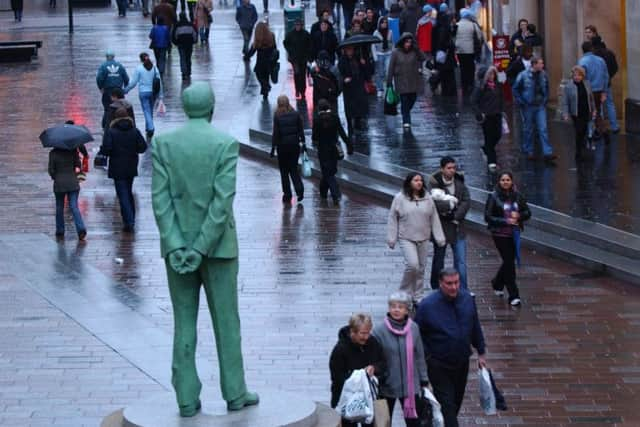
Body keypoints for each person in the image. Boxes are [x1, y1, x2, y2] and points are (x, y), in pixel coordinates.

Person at [152, 82, 259, 417]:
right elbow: (222, 200)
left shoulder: (163, 144)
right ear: (211, 108)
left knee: (184, 323)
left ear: (185, 108)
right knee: (227, 322)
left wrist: (176, 244)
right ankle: (235, 391)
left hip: (176, 252)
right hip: (219, 250)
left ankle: (186, 396)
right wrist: (201, 247)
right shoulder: (224, 144)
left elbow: (160, 201)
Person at [414, 268, 487, 427]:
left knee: (455, 402)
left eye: (456, 283)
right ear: (440, 283)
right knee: (447, 404)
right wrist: (426, 358)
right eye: (449, 284)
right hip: (438, 364)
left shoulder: (467, 299)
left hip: (461, 361)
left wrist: (481, 351)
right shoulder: (427, 306)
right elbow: (416, 334)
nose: (453, 287)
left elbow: (475, 326)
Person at [372, 292, 430, 427]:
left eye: (400, 307)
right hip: (387, 386)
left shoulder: (414, 328)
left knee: (414, 424)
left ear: (407, 310)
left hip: (410, 386)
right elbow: (374, 358)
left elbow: (419, 356)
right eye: (393, 306)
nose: (396, 310)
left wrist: (424, 379)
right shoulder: (379, 331)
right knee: (383, 423)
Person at [387, 172, 446, 302]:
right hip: (406, 237)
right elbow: (392, 218)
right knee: (412, 265)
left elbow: (434, 218)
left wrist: (439, 237)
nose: (419, 182)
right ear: (409, 182)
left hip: (424, 237)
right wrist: (391, 238)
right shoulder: (399, 198)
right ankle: (403, 293)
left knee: (421, 268)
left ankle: (418, 295)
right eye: (415, 180)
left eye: (420, 180)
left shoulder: (428, 198)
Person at [329, 313, 387, 427]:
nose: (366, 337)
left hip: (369, 399)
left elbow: (383, 363)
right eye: (362, 333)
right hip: (346, 400)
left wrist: (374, 368)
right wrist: (358, 377)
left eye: (368, 332)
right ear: (352, 332)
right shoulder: (340, 350)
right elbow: (337, 377)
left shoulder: (373, 343)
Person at [484, 171, 531, 306]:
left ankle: (497, 282)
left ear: (512, 181)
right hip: (500, 234)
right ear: (499, 182)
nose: (505, 182)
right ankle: (513, 295)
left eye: (508, 180)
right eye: (503, 180)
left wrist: (520, 216)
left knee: (508, 261)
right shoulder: (493, 197)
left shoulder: (518, 195)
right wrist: (506, 221)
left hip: (514, 233)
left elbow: (527, 212)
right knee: (509, 263)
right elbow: (488, 217)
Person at [100, 108, 148, 232]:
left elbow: (106, 150)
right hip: (131, 165)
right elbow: (143, 147)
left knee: (122, 194)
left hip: (117, 167)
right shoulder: (134, 131)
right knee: (128, 191)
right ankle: (129, 219)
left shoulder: (111, 132)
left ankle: (129, 221)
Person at [428, 157, 470, 291]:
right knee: (439, 259)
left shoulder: (460, 182)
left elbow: (466, 201)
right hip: (441, 228)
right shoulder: (434, 183)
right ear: (442, 169)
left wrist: (456, 216)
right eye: (449, 168)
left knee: (461, 261)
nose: (452, 170)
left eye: (454, 168)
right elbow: (433, 203)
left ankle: (463, 288)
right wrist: (449, 206)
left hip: (458, 227)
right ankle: (436, 287)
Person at [512, 57, 557, 163]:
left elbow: (546, 87)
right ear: (534, 64)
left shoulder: (543, 74)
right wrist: (521, 101)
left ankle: (547, 152)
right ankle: (529, 150)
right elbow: (515, 88)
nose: (542, 65)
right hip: (528, 105)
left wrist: (545, 99)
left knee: (543, 128)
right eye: (540, 63)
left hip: (540, 105)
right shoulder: (523, 75)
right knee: (528, 129)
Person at [312, 99, 350, 203]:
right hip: (334, 148)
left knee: (327, 172)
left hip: (323, 149)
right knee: (330, 171)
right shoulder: (334, 118)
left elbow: (314, 137)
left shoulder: (317, 120)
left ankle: (335, 193)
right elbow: (341, 132)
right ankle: (323, 192)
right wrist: (348, 144)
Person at [270, 95, 305, 204]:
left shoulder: (277, 116)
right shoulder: (296, 114)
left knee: (284, 172)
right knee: (294, 169)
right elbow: (301, 130)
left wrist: (273, 148)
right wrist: (303, 143)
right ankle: (299, 191)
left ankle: (287, 194)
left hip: (282, 147)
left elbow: (276, 133)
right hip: (294, 146)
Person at [387, 33, 426, 130]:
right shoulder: (396, 52)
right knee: (404, 100)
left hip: (413, 80)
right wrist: (389, 81)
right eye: (406, 42)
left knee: (412, 99)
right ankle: (406, 121)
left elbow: (423, 58)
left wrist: (417, 49)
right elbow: (391, 67)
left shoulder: (414, 51)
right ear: (402, 42)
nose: (408, 44)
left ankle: (405, 112)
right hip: (401, 80)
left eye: (410, 42)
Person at [48, 146, 87, 241]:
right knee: (74, 206)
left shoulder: (53, 153)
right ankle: (81, 228)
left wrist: (55, 177)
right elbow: (78, 165)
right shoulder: (73, 151)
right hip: (73, 182)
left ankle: (60, 230)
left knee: (59, 207)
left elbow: (51, 170)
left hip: (59, 183)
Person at [471, 66, 504, 171]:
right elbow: (473, 101)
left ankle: (486, 149)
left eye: (493, 74)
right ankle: (492, 161)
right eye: (490, 74)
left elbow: (501, 98)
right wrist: (479, 114)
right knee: (489, 138)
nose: (492, 76)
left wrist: (502, 109)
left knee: (498, 135)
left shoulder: (497, 85)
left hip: (497, 114)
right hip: (487, 116)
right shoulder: (481, 87)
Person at [125, 52, 164, 140]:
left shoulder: (139, 69)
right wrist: (161, 95)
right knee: (149, 111)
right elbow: (159, 82)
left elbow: (133, 83)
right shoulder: (154, 68)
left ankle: (150, 128)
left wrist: (125, 90)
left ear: (141, 59)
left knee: (146, 111)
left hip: (143, 93)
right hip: (153, 92)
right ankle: (148, 128)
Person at [578, 41, 610, 144]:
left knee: (587, 113)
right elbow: (606, 76)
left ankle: (590, 134)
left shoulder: (582, 61)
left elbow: (581, 78)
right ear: (592, 49)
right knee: (596, 112)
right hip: (599, 90)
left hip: (588, 91)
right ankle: (603, 131)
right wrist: (604, 91)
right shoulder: (601, 60)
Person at [562, 65, 596, 160]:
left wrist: (594, 110)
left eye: (579, 75)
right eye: (575, 75)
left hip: (586, 111)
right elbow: (565, 102)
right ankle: (578, 152)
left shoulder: (587, 84)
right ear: (572, 76)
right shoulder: (568, 86)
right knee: (579, 131)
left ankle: (582, 148)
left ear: (582, 76)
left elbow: (591, 98)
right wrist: (565, 114)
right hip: (576, 113)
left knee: (584, 131)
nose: (577, 77)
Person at [338, 45, 369, 142]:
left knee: (359, 105)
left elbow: (366, 72)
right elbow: (340, 74)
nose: (350, 51)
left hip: (358, 85)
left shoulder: (358, 58)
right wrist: (344, 80)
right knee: (349, 107)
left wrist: (364, 64)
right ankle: (350, 128)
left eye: (351, 49)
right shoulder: (342, 61)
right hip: (349, 87)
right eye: (348, 49)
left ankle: (357, 123)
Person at [592, 36, 620, 134]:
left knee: (598, 105)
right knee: (609, 104)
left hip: (595, 83)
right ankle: (614, 126)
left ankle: (601, 126)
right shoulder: (609, 53)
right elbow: (615, 68)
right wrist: (608, 77)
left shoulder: (593, 55)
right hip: (607, 83)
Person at [96, 49, 130, 130]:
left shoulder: (103, 66)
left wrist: (101, 87)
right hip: (119, 91)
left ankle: (105, 126)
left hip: (108, 91)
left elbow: (99, 78)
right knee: (119, 108)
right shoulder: (120, 66)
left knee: (107, 109)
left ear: (106, 57)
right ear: (114, 57)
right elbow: (126, 78)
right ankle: (119, 124)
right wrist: (125, 88)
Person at [455, 8, 483, 95]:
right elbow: (479, 37)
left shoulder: (457, 25)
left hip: (459, 50)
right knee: (471, 67)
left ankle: (464, 86)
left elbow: (453, 37)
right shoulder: (473, 25)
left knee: (462, 68)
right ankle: (471, 84)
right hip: (470, 50)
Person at [247, 22, 277, 99]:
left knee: (259, 74)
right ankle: (265, 93)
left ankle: (266, 86)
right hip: (269, 61)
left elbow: (252, 51)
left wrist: (247, 56)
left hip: (261, 61)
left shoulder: (258, 39)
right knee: (266, 76)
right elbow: (275, 48)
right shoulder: (272, 36)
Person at [283, 19, 312, 100]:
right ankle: (297, 90)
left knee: (302, 75)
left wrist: (308, 55)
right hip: (294, 59)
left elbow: (309, 44)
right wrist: (290, 51)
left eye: (299, 25)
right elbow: (285, 43)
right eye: (296, 25)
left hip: (303, 58)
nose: (298, 27)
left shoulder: (305, 34)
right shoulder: (290, 34)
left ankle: (302, 91)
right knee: (297, 74)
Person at [172, 12, 198, 80]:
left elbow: (174, 35)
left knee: (182, 58)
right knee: (188, 58)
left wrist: (175, 43)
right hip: (189, 44)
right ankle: (188, 72)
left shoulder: (177, 25)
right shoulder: (191, 24)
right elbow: (194, 34)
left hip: (181, 44)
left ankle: (184, 73)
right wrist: (194, 41)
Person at [373, 16, 393, 96]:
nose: (384, 24)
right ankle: (380, 88)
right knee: (380, 73)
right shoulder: (376, 33)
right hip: (379, 54)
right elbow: (373, 45)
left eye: (385, 23)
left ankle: (389, 87)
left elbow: (392, 43)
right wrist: (375, 56)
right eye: (383, 23)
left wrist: (392, 52)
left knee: (388, 71)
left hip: (388, 53)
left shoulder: (390, 32)